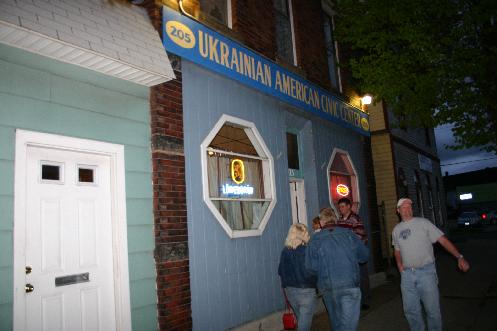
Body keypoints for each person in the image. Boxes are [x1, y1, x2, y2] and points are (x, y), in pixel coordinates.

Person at [393, 198, 470, 331]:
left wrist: (459, 257)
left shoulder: (423, 223)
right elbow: (397, 250)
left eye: (409, 206)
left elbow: (443, 241)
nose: (407, 209)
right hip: (407, 276)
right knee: (411, 311)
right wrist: (400, 265)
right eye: (404, 207)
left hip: (426, 273)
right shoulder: (396, 230)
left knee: (432, 311)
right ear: (398, 211)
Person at [306, 208, 369, 331]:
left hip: (328, 287)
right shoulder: (349, 234)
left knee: (337, 324)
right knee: (348, 326)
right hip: (349, 284)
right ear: (335, 220)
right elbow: (364, 256)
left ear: (321, 223)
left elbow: (310, 268)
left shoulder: (315, 240)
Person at [278, 224, 318, 331]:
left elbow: (280, 271)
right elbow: (314, 270)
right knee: (304, 324)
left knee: (301, 321)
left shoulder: (285, 251)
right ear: (304, 235)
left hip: (290, 291)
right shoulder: (307, 251)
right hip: (307, 290)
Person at [337, 197, 370, 310]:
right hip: (346, 255)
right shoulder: (339, 220)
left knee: (361, 277)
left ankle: (365, 301)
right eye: (339, 207)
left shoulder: (355, 219)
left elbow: (360, 236)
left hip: (357, 253)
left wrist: (350, 247)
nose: (340, 209)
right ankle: (354, 301)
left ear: (348, 206)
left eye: (342, 206)